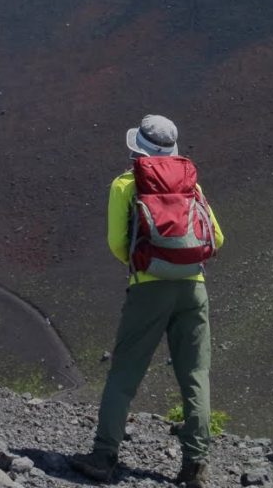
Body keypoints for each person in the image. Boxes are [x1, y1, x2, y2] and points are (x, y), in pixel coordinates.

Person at [68, 115, 223, 486]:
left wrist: (145, 266)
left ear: (137, 147)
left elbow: (117, 243)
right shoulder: (192, 185)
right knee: (195, 376)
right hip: (194, 286)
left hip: (148, 288)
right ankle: (195, 466)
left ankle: (104, 457)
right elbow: (216, 236)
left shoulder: (126, 184)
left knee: (125, 374)